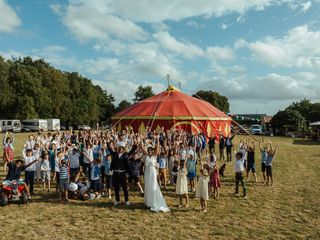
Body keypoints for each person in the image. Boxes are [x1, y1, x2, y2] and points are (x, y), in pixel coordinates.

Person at [143, 136, 170, 212]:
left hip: (153, 172)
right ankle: (148, 202)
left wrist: (157, 139)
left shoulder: (154, 155)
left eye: (151, 150)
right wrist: (143, 139)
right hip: (147, 172)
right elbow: (142, 148)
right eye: (149, 150)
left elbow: (157, 148)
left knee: (153, 185)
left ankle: (154, 202)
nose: (150, 151)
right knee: (148, 186)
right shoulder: (146, 155)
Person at [108, 140, 137, 206]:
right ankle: (117, 200)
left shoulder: (126, 155)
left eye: (122, 148)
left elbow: (132, 151)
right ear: (118, 148)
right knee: (116, 188)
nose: (120, 149)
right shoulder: (115, 154)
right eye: (119, 148)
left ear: (123, 149)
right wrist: (108, 143)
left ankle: (126, 200)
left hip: (122, 173)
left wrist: (135, 146)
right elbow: (110, 150)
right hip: (115, 173)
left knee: (124, 187)